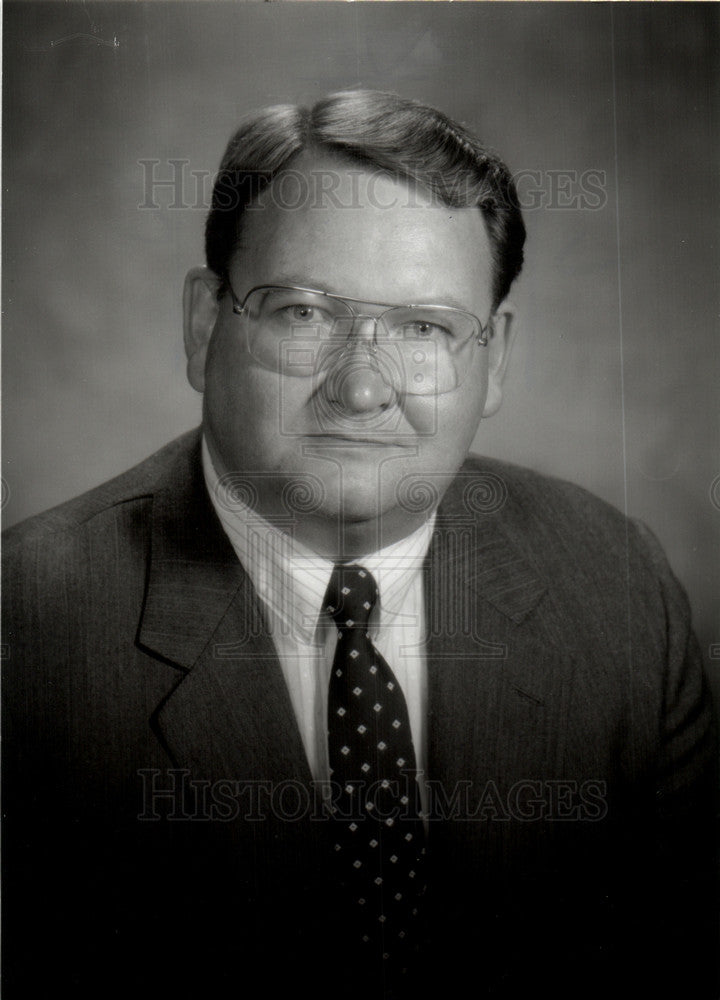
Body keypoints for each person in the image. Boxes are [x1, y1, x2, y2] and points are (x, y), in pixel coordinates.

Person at [2, 90, 716, 999]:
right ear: (203, 325)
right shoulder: (25, 632)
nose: (364, 387)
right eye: (304, 313)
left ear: (492, 359)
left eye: (424, 328)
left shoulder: (618, 587)